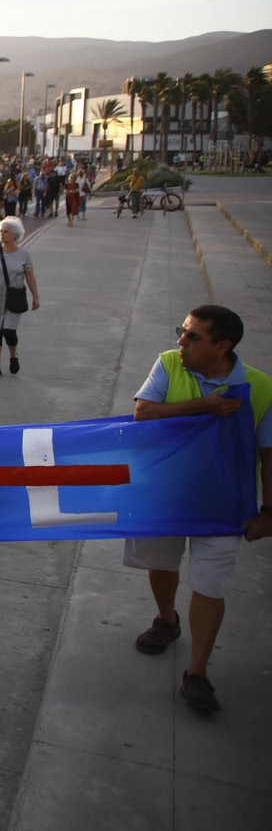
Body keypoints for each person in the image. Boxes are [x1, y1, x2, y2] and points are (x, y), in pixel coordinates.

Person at [124, 305, 272, 712]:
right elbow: (144, 414)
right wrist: (203, 407)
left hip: (225, 505)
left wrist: (269, 510)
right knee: (162, 563)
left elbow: (269, 454)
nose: (181, 342)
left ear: (223, 346)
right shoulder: (169, 365)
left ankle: (198, 672)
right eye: (182, 332)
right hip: (166, 497)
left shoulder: (261, 388)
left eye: (193, 337)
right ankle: (167, 620)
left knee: (211, 585)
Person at [0, 217, 39, 378]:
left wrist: (36, 296)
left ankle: (13, 355)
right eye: (1, 231)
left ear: (15, 235)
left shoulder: (23, 254)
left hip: (14, 298)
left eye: (6, 231)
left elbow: (30, 276)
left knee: (9, 331)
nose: (2, 234)